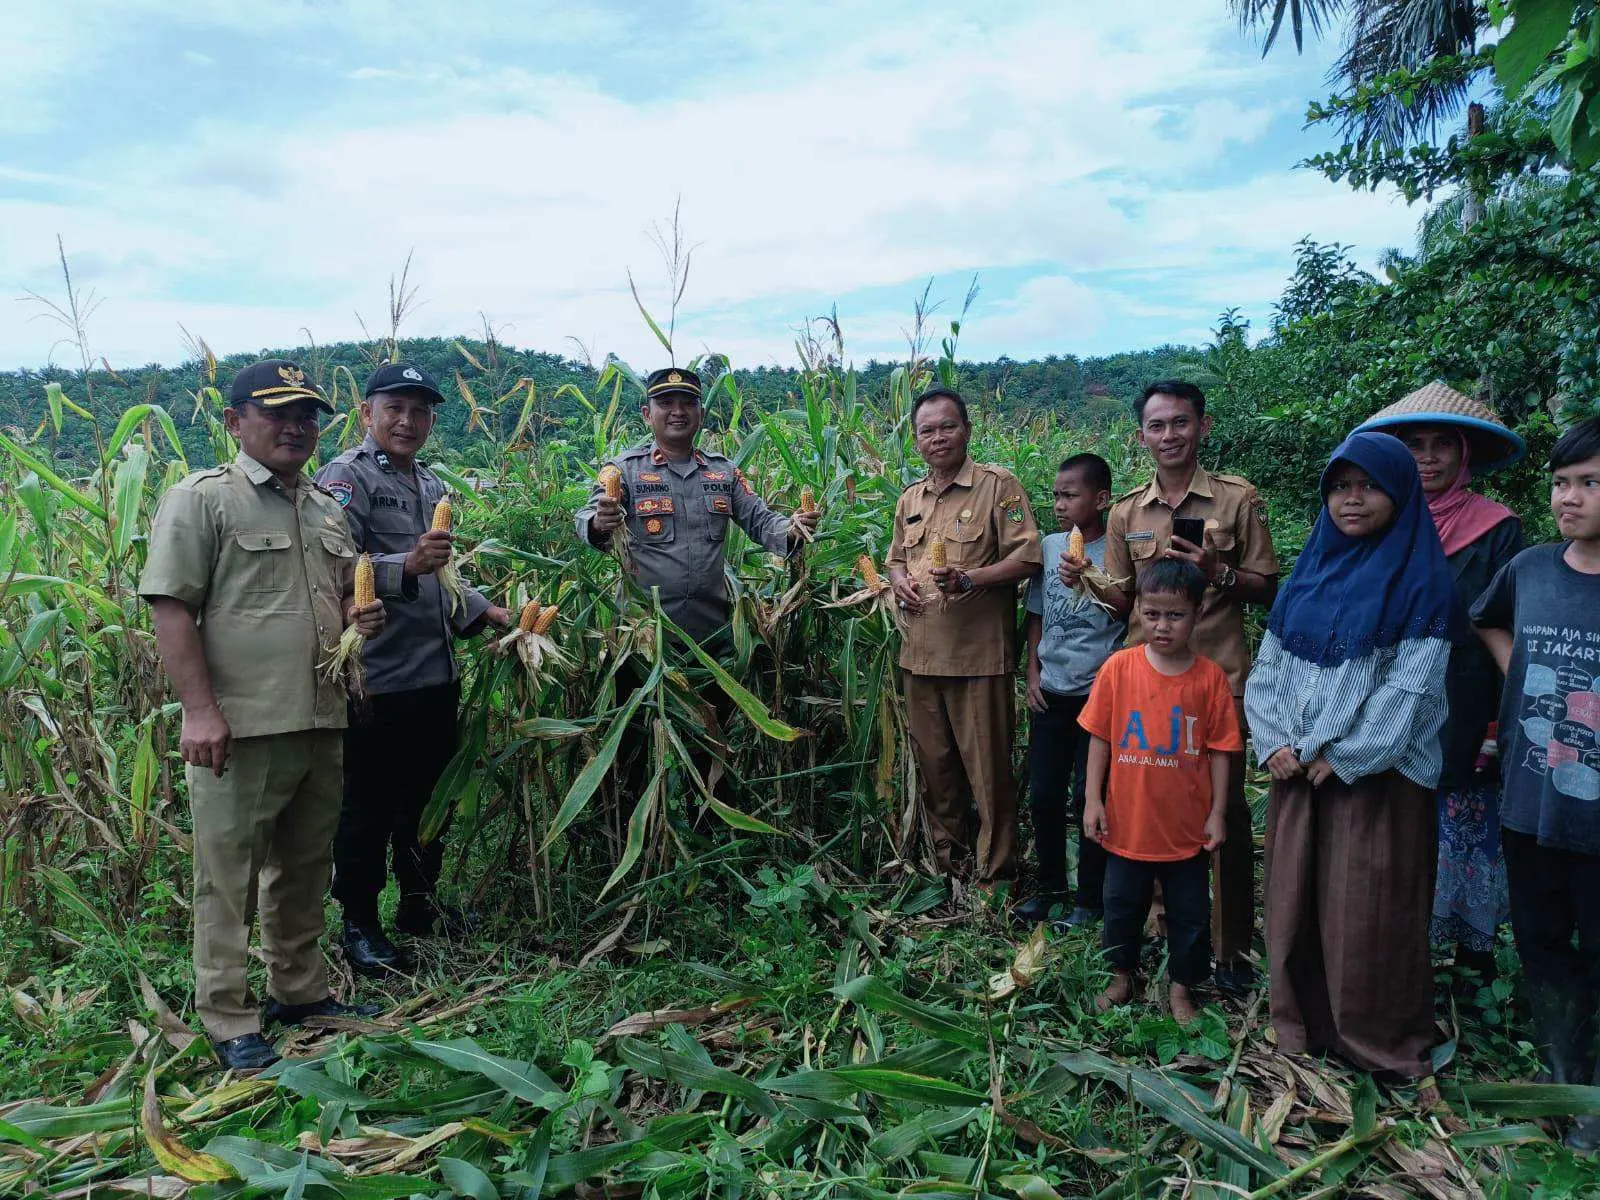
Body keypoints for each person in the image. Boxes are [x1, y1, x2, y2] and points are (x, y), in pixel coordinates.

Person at [138, 359, 390, 1071]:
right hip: (240, 727)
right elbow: (171, 606)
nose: (295, 426)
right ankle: (227, 1017)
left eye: (307, 415)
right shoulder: (203, 500)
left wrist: (357, 615)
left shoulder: (322, 506)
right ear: (234, 422)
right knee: (228, 876)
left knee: (306, 867)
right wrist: (199, 711)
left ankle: (301, 990)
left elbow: (338, 598)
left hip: (320, 716)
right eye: (276, 412)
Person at [1245, 431, 1456, 1094]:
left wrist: (1347, 754)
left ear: (1399, 493)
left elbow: (1413, 689)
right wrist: (1273, 739)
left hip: (1378, 779)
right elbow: (1269, 665)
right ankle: (1303, 1023)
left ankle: (1374, 1039)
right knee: (1297, 899)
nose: (1352, 499)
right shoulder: (1310, 571)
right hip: (1297, 770)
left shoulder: (1422, 580)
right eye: (1340, 486)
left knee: (1366, 910)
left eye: (1367, 486)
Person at [315, 362, 511, 975]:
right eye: (394, 408)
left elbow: (444, 578)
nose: (407, 421)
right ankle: (359, 922)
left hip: (434, 676)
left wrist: (494, 618)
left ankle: (421, 907)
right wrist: (407, 562)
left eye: (420, 411)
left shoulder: (429, 485)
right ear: (367, 413)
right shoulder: (345, 479)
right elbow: (334, 566)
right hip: (376, 679)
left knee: (431, 800)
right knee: (369, 804)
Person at [1089, 381, 1278, 996]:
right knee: (1147, 799)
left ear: (1202, 426)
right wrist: (1086, 579)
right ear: (1140, 435)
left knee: (1218, 815)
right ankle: (1161, 936)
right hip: (1143, 684)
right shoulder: (1125, 512)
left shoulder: (1236, 498)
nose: (1168, 436)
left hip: (1215, 680)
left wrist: (1215, 571)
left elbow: (1267, 587)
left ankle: (1228, 951)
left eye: (1179, 423)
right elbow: (1125, 604)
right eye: (1156, 425)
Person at [1355, 383, 1526, 992]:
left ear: (1463, 455)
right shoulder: (1381, 520)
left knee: (1462, 826)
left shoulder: (1499, 531)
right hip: (1388, 697)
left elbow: (1509, 628)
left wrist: (1496, 725)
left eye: (1440, 447)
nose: (1427, 459)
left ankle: (1473, 969)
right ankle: (1398, 956)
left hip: (1465, 699)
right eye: (1414, 447)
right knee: (1394, 820)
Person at [1472, 415, 1600, 1152]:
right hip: (1532, 799)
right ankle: (1565, 1074)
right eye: (1561, 483)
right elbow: (1484, 618)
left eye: (1589, 483)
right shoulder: (1532, 570)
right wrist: (1521, 671)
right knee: (1546, 943)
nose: (1569, 499)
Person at [887, 387, 1043, 886]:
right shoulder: (911, 498)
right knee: (936, 771)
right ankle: (948, 868)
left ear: (967, 430)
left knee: (989, 776)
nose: (938, 438)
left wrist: (972, 578)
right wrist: (897, 579)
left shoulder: (999, 487)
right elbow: (894, 559)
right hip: (919, 658)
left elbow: (1028, 557)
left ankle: (999, 878)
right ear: (916, 439)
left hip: (977, 660)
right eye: (927, 430)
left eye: (947, 427)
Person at [1079, 559, 1239, 1024]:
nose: (1162, 626)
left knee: (1190, 915)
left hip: (1186, 830)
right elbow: (1100, 737)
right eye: (1152, 615)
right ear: (1138, 613)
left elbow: (1222, 750)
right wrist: (1092, 800)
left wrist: (1218, 814)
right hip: (1127, 824)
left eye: (1175, 615)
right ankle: (1121, 975)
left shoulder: (1210, 679)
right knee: (1121, 905)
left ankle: (1181, 987)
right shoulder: (1118, 670)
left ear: (1198, 613)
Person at [575, 367, 820, 647]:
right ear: (646, 414)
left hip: (713, 635)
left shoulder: (723, 472)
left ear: (700, 414)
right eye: (666, 403)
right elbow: (587, 517)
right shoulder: (624, 471)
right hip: (643, 636)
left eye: (688, 403)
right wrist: (599, 522)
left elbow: (761, 520)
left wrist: (793, 527)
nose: (678, 411)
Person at [1014, 453, 1124, 926]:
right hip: (1051, 691)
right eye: (1056, 495)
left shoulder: (1115, 550)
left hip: (1097, 695)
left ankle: (1089, 899)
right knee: (1043, 794)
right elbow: (1035, 614)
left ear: (1100, 500)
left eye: (1070, 495)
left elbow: (1127, 612)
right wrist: (1032, 673)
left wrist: (1091, 580)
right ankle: (1050, 887)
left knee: (1089, 796)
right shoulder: (1049, 545)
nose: (1059, 504)